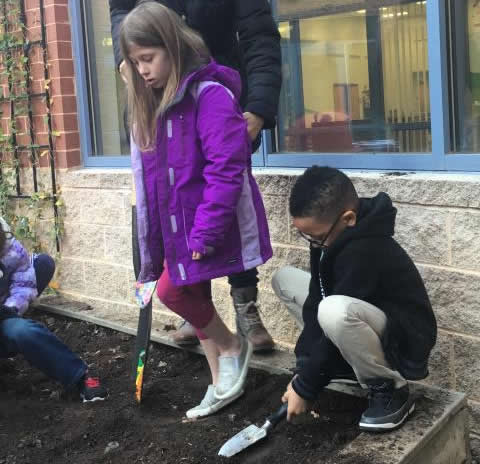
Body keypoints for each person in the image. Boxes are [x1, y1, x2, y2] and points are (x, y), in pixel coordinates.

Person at [120, 3, 273, 418]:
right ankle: (220, 378)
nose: (142, 70)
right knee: (187, 292)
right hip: (177, 228)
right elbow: (153, 179)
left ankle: (232, 346)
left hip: (203, 225)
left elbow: (227, 169)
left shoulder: (210, 96)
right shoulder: (155, 106)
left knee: (174, 290)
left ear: (172, 46)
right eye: (134, 62)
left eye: (147, 59)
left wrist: (204, 232)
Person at [273, 167, 437, 431]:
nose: (313, 243)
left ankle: (390, 388)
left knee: (333, 311)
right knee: (285, 279)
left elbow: (330, 309)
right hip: (366, 318)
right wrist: (304, 370)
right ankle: (347, 368)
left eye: (316, 237)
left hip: (402, 338)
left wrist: (306, 387)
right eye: (307, 237)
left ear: (348, 218)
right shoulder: (330, 238)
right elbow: (317, 297)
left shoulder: (366, 249)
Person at [0, 217, 108, 402]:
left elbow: (22, 281)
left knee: (22, 331)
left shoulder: (7, 245)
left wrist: (11, 308)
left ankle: (79, 376)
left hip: (3, 312)